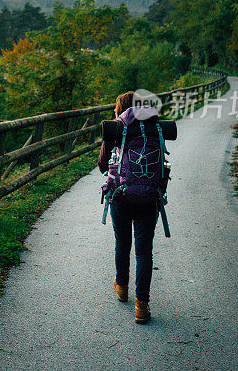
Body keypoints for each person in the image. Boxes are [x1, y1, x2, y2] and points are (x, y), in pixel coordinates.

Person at [97, 90, 160, 324]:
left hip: (120, 196)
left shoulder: (118, 127)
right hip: (149, 197)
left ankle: (122, 287)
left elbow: (103, 164)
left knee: (122, 243)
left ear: (120, 108)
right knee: (144, 252)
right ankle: (141, 307)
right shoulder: (155, 127)